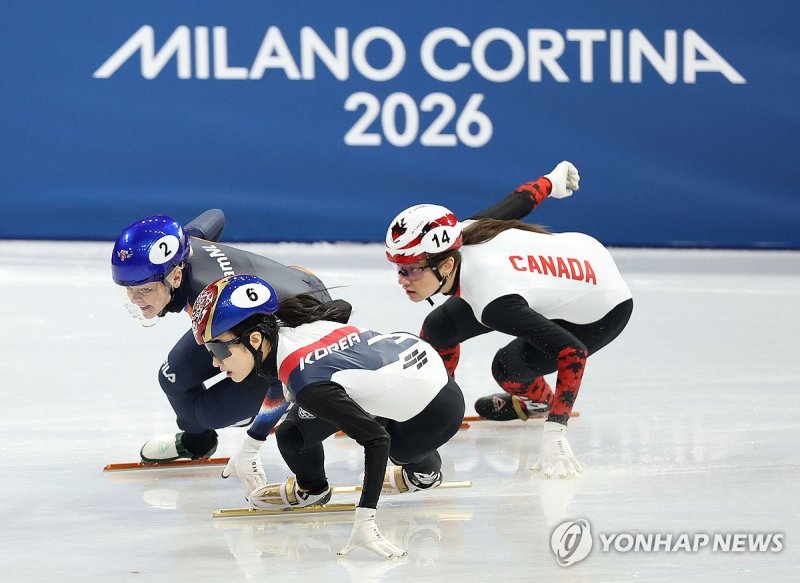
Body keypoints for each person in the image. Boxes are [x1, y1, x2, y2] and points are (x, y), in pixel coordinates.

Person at [384, 161, 633, 478]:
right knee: (438, 328)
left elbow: (573, 352)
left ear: (446, 266)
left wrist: (555, 431)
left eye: (412, 269)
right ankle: (439, 405)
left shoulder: (493, 300)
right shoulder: (463, 231)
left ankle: (539, 404)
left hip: (603, 307)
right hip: (576, 258)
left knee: (508, 368)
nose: (402, 279)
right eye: (398, 267)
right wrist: (551, 181)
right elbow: (519, 201)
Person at [190, 274, 465, 559]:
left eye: (217, 349)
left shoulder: (307, 381)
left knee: (396, 448)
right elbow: (277, 381)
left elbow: (376, 441)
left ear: (256, 339)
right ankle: (314, 490)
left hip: (434, 407)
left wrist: (365, 521)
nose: (214, 361)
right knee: (292, 435)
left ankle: (425, 473)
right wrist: (250, 446)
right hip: (396, 370)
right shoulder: (282, 331)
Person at [110, 210, 331, 478]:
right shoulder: (186, 243)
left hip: (298, 324)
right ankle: (198, 443)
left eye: (145, 289)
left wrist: (259, 434)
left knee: (207, 413)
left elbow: (273, 366)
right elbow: (216, 216)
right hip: (288, 287)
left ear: (176, 277)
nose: (135, 299)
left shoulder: (212, 299)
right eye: (128, 288)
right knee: (171, 377)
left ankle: (317, 405)